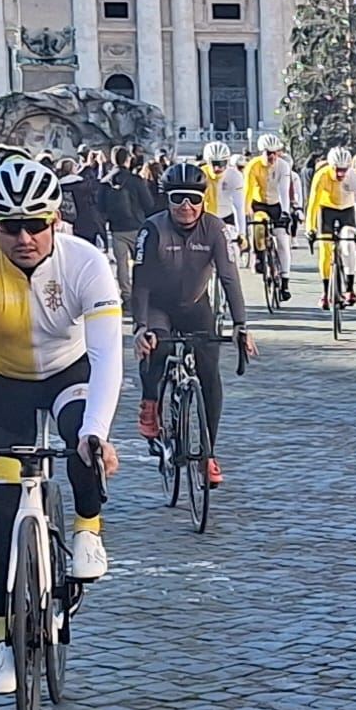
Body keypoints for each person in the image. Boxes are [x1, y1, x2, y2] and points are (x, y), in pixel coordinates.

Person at [0, 157, 122, 695]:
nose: (24, 237)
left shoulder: (86, 263)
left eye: (36, 223)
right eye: (9, 225)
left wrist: (98, 432)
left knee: (82, 437)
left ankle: (87, 529)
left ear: (57, 219)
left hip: (68, 370)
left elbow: (108, 357)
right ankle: (0, 639)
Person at [132, 163, 254, 487]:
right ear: (167, 201)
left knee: (210, 375)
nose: (186, 206)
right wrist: (140, 327)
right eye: (178, 198)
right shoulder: (152, 229)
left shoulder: (215, 229)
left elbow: (229, 277)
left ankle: (209, 454)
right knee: (156, 347)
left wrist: (241, 324)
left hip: (197, 306)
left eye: (193, 199)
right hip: (159, 307)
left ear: (203, 200)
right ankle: (150, 403)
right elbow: (141, 282)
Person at [306, 147, 356, 309]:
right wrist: (310, 228)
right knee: (325, 249)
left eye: (344, 170)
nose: (341, 174)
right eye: (337, 170)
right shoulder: (321, 176)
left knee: (348, 244)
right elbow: (313, 204)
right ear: (330, 166)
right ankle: (325, 292)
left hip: (348, 210)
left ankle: (350, 289)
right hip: (327, 210)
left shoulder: (353, 176)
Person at [102, 146, 154, 310]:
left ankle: (127, 296)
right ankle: (143, 296)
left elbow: (100, 206)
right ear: (127, 160)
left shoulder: (106, 181)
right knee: (141, 263)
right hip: (137, 226)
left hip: (117, 228)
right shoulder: (135, 180)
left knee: (121, 265)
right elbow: (149, 203)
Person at [243, 133, 293, 302]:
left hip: (276, 204)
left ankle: (285, 280)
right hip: (259, 203)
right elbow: (247, 190)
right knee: (258, 225)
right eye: (268, 153)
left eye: (274, 152)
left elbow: (284, 190)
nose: (271, 156)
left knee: (282, 242)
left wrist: (285, 212)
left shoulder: (283, 166)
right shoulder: (253, 166)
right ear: (261, 152)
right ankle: (258, 254)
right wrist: (247, 208)